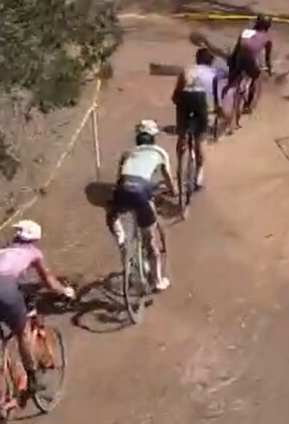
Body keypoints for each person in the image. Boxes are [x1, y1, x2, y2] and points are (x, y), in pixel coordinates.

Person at [0, 219, 75, 400]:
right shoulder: (34, 253)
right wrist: (65, 291)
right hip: (4, 291)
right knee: (22, 331)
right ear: (34, 240)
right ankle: (33, 378)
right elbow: (48, 280)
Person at [106, 119, 178, 291]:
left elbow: (119, 179)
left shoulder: (127, 153)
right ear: (153, 138)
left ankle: (122, 241)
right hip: (142, 192)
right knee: (150, 241)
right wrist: (174, 192)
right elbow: (167, 177)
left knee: (112, 216)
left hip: (123, 188)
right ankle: (158, 281)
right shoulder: (160, 153)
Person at [172, 46, 222, 187]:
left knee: (182, 135)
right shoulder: (213, 74)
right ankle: (198, 175)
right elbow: (216, 98)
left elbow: (176, 94)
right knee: (200, 140)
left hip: (185, 98)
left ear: (197, 59)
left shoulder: (187, 70)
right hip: (201, 103)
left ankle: (180, 167)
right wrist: (216, 111)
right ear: (210, 63)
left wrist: (178, 105)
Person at [228, 15, 274, 116]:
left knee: (233, 74)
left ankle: (227, 89)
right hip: (251, 62)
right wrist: (269, 69)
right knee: (256, 79)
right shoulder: (267, 38)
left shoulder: (245, 32)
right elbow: (267, 57)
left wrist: (232, 62)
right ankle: (248, 105)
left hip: (239, 59)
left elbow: (236, 49)